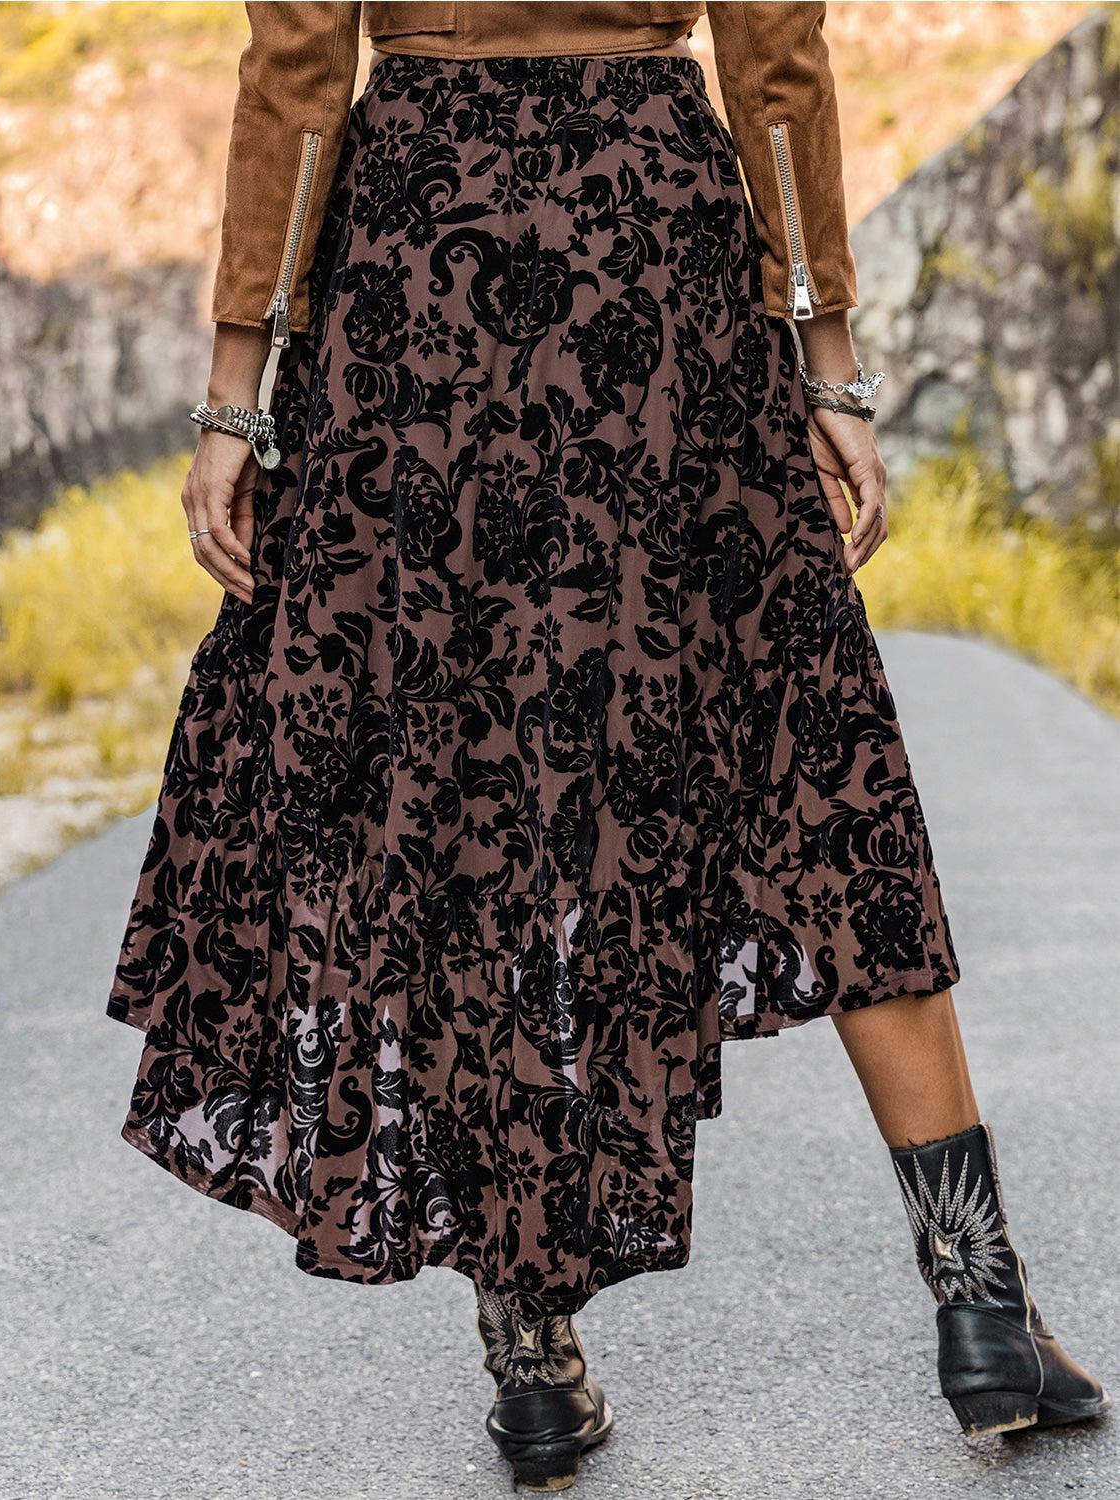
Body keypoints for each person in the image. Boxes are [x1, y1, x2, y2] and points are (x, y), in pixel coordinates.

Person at [106, 3, 1108, 1491]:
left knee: (465, 793)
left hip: (415, 265)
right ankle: (975, 1300)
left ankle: (529, 1362)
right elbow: (773, 51)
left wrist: (235, 389)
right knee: (805, 744)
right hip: (654, 251)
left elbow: (302, 60)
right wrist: (826, 354)